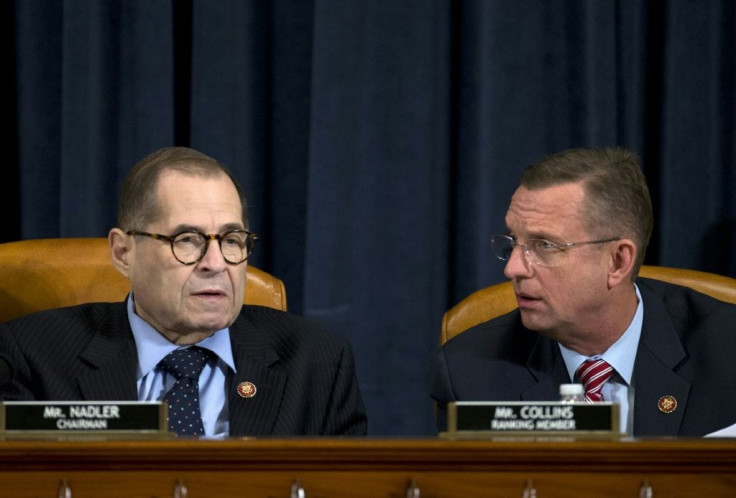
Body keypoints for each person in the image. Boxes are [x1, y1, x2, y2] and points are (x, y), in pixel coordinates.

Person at [0, 146, 367, 437]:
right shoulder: (30, 355)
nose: (216, 263)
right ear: (123, 253)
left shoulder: (317, 363)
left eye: (232, 240)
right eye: (187, 240)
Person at [431, 147, 736, 437]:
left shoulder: (726, 349)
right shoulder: (470, 373)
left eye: (545, 245)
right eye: (513, 240)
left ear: (617, 261)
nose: (513, 268)